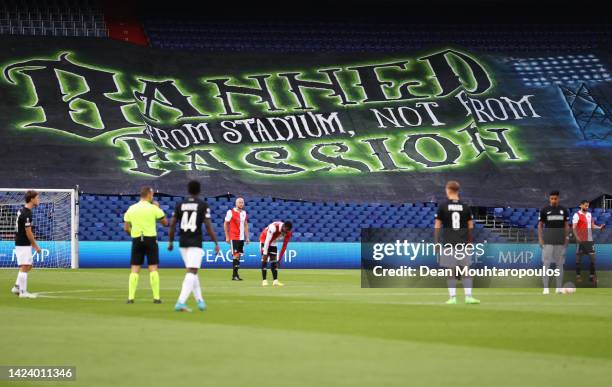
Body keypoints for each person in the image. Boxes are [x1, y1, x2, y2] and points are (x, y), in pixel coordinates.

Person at [168, 180, 220, 312]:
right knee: (192, 272)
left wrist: (170, 241)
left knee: (192, 271)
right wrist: (216, 242)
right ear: (199, 191)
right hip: (195, 242)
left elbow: (173, 224)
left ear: (188, 190)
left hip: (183, 242)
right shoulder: (202, 205)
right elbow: (208, 226)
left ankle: (200, 301)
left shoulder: (180, 204)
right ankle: (180, 302)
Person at [434, 181, 480, 305]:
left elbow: (437, 225)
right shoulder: (465, 207)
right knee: (466, 269)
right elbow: (470, 226)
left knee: (451, 270)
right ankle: (469, 296)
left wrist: (437, 242)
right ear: (458, 190)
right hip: (463, 242)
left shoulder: (443, 206)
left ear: (448, 190)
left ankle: (452, 297)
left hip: (449, 242)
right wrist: (470, 241)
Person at [123, 186, 168, 304]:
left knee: (135, 268)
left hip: (137, 239)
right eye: (152, 194)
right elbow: (165, 223)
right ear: (148, 194)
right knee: (153, 268)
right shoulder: (153, 208)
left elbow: (126, 228)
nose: (152, 197)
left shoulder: (131, 208)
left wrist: (133, 233)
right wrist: (158, 208)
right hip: (150, 239)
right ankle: (156, 298)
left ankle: (131, 298)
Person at [11, 190, 42, 299]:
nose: (39, 200)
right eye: (37, 198)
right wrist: (36, 246)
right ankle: (23, 292)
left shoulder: (23, 211)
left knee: (28, 266)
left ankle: (17, 287)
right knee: (25, 266)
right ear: (32, 199)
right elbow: (28, 232)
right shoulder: (27, 213)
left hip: (21, 242)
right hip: (23, 243)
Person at [538, 190, 569, 294]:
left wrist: (567, 238)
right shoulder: (544, 210)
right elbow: (540, 225)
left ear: (558, 199)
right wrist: (540, 239)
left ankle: (558, 288)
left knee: (559, 264)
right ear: (549, 199)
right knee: (546, 264)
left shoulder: (563, 210)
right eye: (552, 198)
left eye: (555, 198)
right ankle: (546, 288)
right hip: (548, 241)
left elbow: (566, 225)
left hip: (560, 241)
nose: (554, 200)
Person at [572, 200, 605, 285]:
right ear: (581, 205)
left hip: (589, 240)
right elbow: (574, 227)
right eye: (585, 206)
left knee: (593, 259)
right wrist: (577, 237)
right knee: (578, 259)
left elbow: (592, 226)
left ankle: (591, 277)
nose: (587, 207)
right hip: (581, 240)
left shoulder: (589, 215)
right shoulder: (577, 215)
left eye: (588, 206)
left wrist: (599, 227)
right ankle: (578, 276)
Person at [259, 221, 292, 287]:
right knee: (264, 259)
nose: (285, 233)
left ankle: (275, 281)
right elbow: (267, 241)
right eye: (286, 230)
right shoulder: (273, 227)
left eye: (287, 231)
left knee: (274, 260)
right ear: (284, 226)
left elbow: (284, 246)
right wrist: (265, 253)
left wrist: (279, 259)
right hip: (264, 240)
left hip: (274, 241)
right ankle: (264, 280)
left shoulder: (288, 233)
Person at [224, 197, 249, 281]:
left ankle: (236, 275)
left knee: (238, 256)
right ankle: (234, 275)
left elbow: (245, 225)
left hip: (241, 238)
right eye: (239, 202)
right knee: (235, 255)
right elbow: (225, 224)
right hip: (234, 237)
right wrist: (227, 236)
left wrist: (247, 237)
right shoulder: (230, 212)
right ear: (236, 203)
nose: (241, 204)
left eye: (242, 202)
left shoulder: (244, 213)